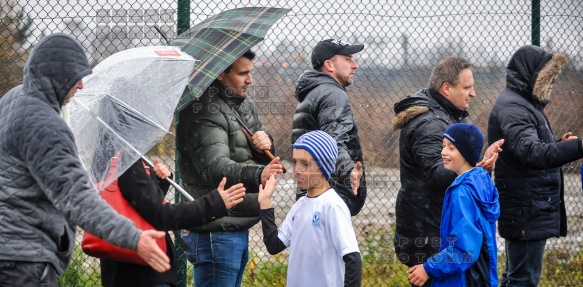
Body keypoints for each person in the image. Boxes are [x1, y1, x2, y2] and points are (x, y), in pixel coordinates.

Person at [0, 32, 170, 286]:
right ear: (58, 75)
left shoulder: (12, 100)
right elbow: (77, 198)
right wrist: (134, 238)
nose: (81, 85)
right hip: (25, 261)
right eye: (76, 77)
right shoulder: (45, 125)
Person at [176, 50, 284, 287]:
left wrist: (264, 144)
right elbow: (215, 167)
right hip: (215, 229)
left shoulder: (243, 104)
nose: (250, 80)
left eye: (251, 73)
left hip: (234, 223)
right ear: (221, 75)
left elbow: (260, 150)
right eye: (242, 73)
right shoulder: (202, 110)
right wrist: (258, 174)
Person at [392, 56, 503, 287]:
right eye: (467, 87)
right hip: (430, 234)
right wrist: (475, 167)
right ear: (446, 88)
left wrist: (478, 166)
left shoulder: (441, 116)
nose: (473, 93)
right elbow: (437, 175)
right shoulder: (430, 123)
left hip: (438, 232)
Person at [487, 45, 583, 287]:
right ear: (531, 74)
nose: (551, 83)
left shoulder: (522, 104)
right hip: (526, 210)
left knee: (516, 276)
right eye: (546, 77)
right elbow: (532, 153)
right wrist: (579, 147)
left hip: (527, 208)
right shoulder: (514, 107)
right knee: (523, 280)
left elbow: (529, 147)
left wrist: (561, 144)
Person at [100, 158, 246, 287]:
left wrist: (158, 182)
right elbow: (161, 215)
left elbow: (140, 207)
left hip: (129, 269)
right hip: (143, 273)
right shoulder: (128, 162)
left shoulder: (112, 159)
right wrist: (214, 203)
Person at [258, 130, 362, 287]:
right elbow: (274, 245)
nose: (297, 169)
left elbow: (352, 258)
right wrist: (265, 202)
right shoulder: (299, 206)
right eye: (295, 162)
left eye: (305, 164)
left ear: (323, 166)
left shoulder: (332, 205)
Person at [407, 123, 500, 287]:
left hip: (466, 279)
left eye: (451, 148)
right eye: (443, 146)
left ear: (466, 153)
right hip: (482, 275)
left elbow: (464, 250)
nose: (443, 152)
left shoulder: (462, 191)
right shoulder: (480, 180)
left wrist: (428, 268)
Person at [292, 38, 367, 216]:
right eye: (348, 59)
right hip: (330, 197)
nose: (355, 65)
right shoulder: (333, 94)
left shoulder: (314, 92)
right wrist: (348, 170)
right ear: (329, 65)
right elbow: (333, 140)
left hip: (314, 195)